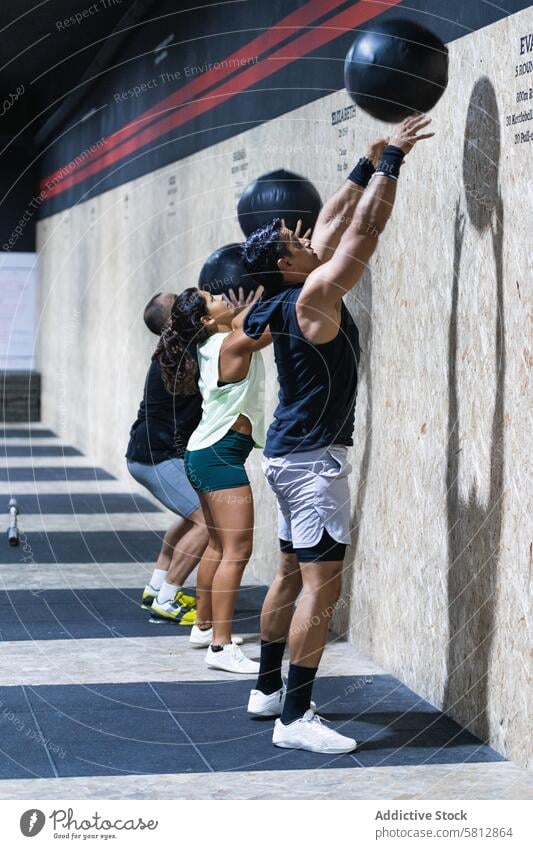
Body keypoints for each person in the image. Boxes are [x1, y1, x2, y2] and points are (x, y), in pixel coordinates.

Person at [241, 116, 434, 753]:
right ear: (284, 262)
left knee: (291, 573)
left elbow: (331, 221)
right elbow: (364, 230)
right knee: (323, 589)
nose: (309, 239)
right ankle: (294, 719)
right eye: (296, 243)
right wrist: (394, 162)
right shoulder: (314, 295)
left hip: (287, 457)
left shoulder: (279, 296)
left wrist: (364, 161)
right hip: (312, 464)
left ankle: (268, 687)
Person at [155, 287, 271, 672]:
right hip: (219, 457)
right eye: (213, 297)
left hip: (205, 454)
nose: (222, 293)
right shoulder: (230, 345)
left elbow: (240, 325)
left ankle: (204, 627)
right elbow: (279, 326)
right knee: (237, 552)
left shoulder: (214, 343)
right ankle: (221, 648)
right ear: (207, 320)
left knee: (219, 548)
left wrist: (239, 310)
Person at [126, 292, 209, 624]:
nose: (193, 298)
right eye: (181, 301)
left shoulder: (173, 351)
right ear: (175, 320)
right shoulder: (182, 354)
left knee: (192, 517)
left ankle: (157, 585)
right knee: (210, 521)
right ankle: (169, 598)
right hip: (155, 458)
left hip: (146, 455)